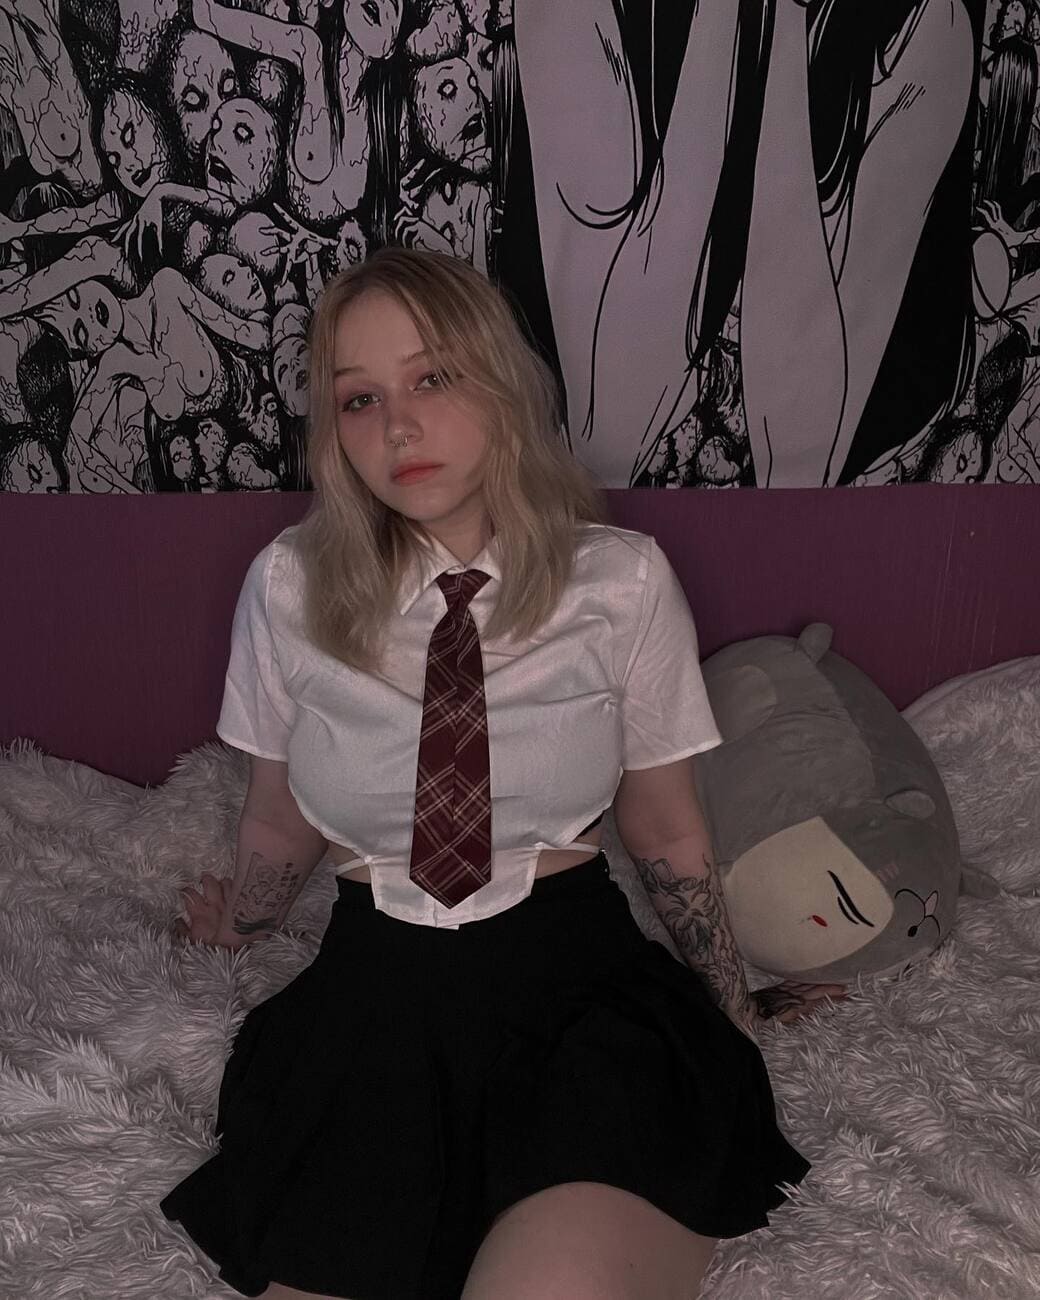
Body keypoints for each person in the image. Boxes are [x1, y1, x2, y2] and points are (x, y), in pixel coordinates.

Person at [161, 246, 844, 1300]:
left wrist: (730, 1003)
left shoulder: (621, 581)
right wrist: (240, 925)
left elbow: (664, 827)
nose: (397, 427)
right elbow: (279, 815)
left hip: (578, 997)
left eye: (432, 378)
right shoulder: (289, 587)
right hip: (370, 1011)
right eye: (359, 398)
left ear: (501, 384)